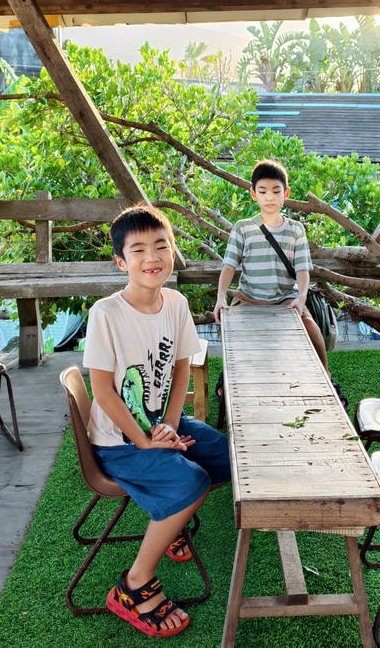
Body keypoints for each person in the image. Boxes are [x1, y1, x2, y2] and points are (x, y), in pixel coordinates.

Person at [83, 204, 231, 639]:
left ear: (173, 251)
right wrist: (145, 440)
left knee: (230, 458)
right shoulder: (105, 314)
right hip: (119, 443)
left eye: (161, 246)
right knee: (190, 482)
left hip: (158, 423)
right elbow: (104, 392)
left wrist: (167, 424)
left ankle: (171, 523)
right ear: (120, 261)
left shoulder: (176, 303)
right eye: (139, 249)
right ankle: (134, 584)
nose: (152, 257)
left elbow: (182, 366)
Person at [213, 158, 329, 368]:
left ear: (286, 193)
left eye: (276, 191)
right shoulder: (242, 227)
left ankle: (326, 376)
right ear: (253, 194)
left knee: (310, 326)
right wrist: (220, 297)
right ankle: (226, 378)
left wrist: (301, 298)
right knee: (232, 333)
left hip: (285, 298)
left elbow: (303, 270)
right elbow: (229, 266)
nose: (270, 197)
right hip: (248, 297)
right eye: (263, 191)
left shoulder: (296, 230)